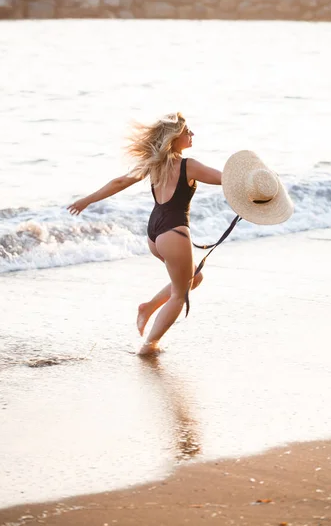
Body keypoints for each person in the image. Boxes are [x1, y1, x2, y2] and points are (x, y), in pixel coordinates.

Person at [67, 112, 222, 355]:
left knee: (195, 277)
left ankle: (147, 308)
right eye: (186, 131)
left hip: (154, 234)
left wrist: (86, 201)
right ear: (174, 138)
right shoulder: (188, 165)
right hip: (175, 233)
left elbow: (118, 183)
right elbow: (225, 180)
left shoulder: (154, 164)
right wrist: (259, 186)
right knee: (179, 296)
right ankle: (149, 346)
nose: (191, 134)